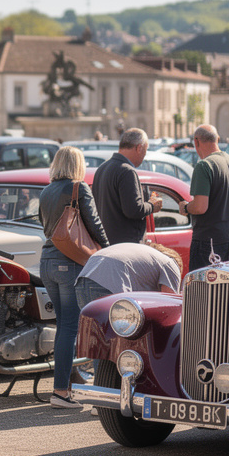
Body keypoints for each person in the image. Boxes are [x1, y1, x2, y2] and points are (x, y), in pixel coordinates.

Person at [37, 146, 109, 409]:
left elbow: (44, 224)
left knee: (63, 326)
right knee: (70, 326)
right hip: (70, 262)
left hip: (47, 261)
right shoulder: (79, 188)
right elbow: (94, 224)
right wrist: (108, 248)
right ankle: (60, 393)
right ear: (77, 165)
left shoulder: (46, 191)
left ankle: (65, 385)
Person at [185, 124, 229, 271]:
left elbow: (200, 207)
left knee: (203, 291)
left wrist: (185, 207)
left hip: (209, 242)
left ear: (196, 142)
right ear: (217, 139)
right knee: (228, 291)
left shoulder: (204, 166)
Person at [92, 128, 162, 245]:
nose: (144, 155)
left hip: (106, 243)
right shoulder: (127, 171)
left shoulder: (102, 168)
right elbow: (133, 210)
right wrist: (152, 205)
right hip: (126, 245)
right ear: (139, 148)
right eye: (145, 150)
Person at [74, 242, 182, 308]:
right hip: (110, 279)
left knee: (90, 334)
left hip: (84, 277)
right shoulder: (170, 264)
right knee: (117, 334)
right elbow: (169, 304)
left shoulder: (149, 256)